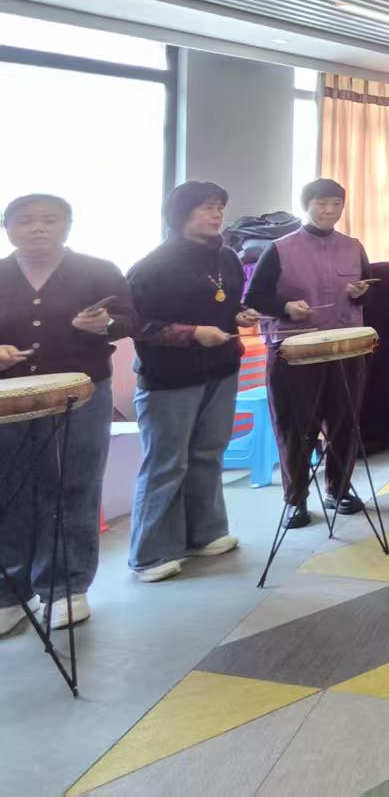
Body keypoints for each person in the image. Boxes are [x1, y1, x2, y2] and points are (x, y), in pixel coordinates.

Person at [0, 194, 136, 633]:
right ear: (8, 228)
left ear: (68, 226)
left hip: (80, 393)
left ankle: (66, 587)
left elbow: (129, 319)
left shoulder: (98, 270)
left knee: (73, 485)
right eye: (26, 221)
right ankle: (10, 591)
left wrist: (105, 325)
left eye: (50, 220)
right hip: (10, 399)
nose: (38, 228)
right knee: (9, 490)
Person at [126, 181, 251, 582]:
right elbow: (136, 325)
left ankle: (205, 533)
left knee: (209, 452)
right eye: (205, 208)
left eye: (219, 207)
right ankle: (150, 553)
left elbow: (227, 302)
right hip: (170, 377)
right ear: (180, 214)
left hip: (221, 367)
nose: (216, 215)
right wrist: (193, 333)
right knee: (167, 463)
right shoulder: (151, 266)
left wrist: (240, 314)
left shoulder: (227, 257)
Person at [243, 179, 374, 529]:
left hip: (345, 348)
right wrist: (286, 307)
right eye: (321, 203)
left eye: (336, 204)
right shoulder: (279, 249)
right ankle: (296, 499)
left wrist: (361, 293)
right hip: (294, 350)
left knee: (345, 422)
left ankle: (339, 489)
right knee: (296, 426)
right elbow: (254, 298)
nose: (329, 210)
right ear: (306, 205)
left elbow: (369, 293)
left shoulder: (353, 247)